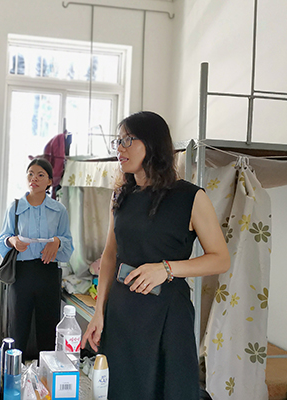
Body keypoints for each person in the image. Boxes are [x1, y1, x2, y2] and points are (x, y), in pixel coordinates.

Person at [81, 111, 230, 400]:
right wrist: (99, 312)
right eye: (118, 141)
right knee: (123, 390)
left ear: (152, 144)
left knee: (170, 390)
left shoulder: (190, 197)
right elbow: (110, 256)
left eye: (127, 140)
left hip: (167, 313)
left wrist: (166, 268)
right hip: (122, 312)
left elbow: (220, 259)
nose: (119, 148)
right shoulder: (120, 196)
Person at [0, 158, 74, 359]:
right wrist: (12, 241)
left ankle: (45, 372)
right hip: (21, 273)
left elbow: (68, 244)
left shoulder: (59, 210)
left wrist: (57, 241)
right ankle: (14, 370)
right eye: (30, 174)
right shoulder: (14, 207)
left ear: (49, 181)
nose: (34, 178)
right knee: (17, 326)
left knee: (48, 327)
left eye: (40, 175)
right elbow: (2, 239)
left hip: (48, 273)